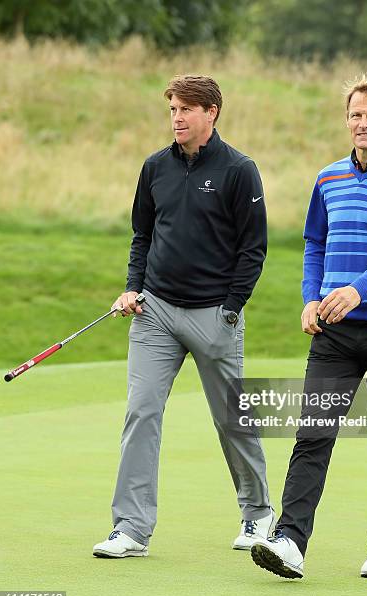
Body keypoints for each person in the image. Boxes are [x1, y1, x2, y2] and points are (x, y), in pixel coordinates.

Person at [250, 73, 367, 579]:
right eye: (356, 114)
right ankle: (288, 540)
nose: (363, 123)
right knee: (313, 434)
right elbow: (314, 244)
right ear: (347, 120)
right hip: (336, 333)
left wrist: (356, 290)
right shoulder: (328, 178)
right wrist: (312, 298)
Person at [93, 75, 275, 558]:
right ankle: (131, 528)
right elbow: (142, 236)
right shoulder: (155, 167)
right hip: (155, 313)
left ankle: (258, 514)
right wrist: (133, 287)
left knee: (231, 419)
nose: (177, 117)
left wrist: (232, 308)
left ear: (211, 113)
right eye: (173, 108)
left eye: (186, 109)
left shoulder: (239, 169)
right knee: (141, 414)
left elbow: (253, 248)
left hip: (215, 314)